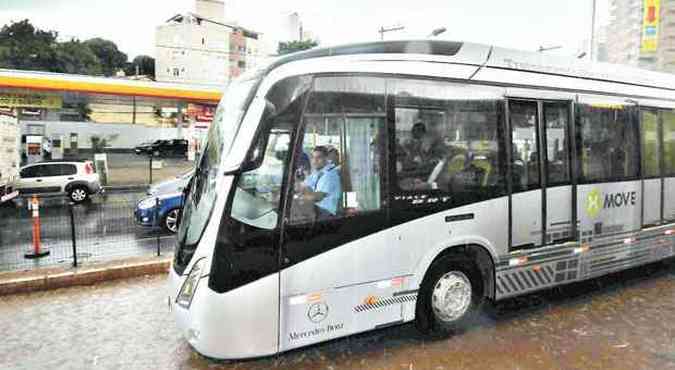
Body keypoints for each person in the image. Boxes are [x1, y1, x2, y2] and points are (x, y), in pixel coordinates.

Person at [297, 146, 342, 219]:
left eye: (319, 157)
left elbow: (317, 197)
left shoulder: (330, 175)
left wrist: (300, 198)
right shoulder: (317, 173)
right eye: (313, 157)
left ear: (326, 159)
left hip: (326, 213)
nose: (315, 160)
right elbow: (304, 186)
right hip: (317, 209)